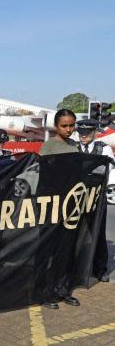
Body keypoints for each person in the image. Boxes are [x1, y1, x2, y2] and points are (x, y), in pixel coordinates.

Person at [38, 109, 80, 309]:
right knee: (48, 250)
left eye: (72, 125)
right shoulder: (48, 147)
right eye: (65, 125)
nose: (69, 129)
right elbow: (42, 177)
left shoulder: (74, 145)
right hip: (51, 207)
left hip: (70, 207)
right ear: (56, 126)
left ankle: (63, 290)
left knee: (66, 249)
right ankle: (44, 292)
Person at [76, 119, 114, 282]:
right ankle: (75, 268)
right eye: (81, 133)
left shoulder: (103, 148)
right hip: (77, 196)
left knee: (97, 232)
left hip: (97, 196)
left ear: (94, 133)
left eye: (87, 133)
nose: (83, 136)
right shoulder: (73, 147)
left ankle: (100, 270)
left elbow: (108, 168)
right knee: (74, 232)